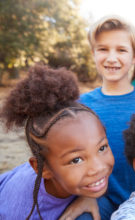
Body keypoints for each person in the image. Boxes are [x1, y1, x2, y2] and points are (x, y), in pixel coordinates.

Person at [60, 15, 135, 220]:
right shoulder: (79, 106)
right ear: (93, 53)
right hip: (99, 197)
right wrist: (87, 195)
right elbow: (73, 159)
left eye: (121, 50)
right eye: (103, 49)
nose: (111, 58)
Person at [0, 65, 115, 220]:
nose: (98, 167)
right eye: (76, 160)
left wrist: (90, 196)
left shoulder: (78, 177)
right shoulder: (22, 211)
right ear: (43, 168)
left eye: (102, 148)